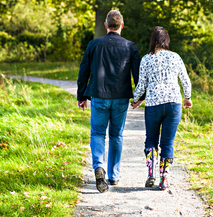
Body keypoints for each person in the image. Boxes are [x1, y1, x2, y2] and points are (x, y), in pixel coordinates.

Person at [77, 10, 145, 193]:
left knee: (98, 133)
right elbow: (138, 73)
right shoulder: (131, 46)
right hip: (121, 98)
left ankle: (99, 166)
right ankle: (113, 176)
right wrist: (139, 97)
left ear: (106, 26)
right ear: (122, 26)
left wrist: (81, 95)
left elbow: (84, 70)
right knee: (116, 135)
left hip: (99, 96)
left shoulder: (94, 44)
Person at [131, 26, 192, 190]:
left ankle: (151, 173)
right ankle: (164, 179)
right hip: (173, 104)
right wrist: (187, 97)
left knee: (151, 140)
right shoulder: (175, 57)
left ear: (153, 41)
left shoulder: (146, 59)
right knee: (168, 143)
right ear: (166, 41)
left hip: (153, 105)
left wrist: (136, 99)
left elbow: (141, 85)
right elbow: (185, 80)